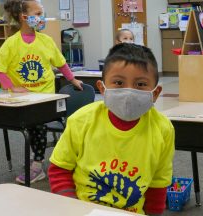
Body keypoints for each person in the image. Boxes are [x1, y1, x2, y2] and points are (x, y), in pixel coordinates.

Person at [48, 43, 175, 215]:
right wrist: (73, 208)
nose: (129, 92)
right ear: (102, 88)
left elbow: (158, 185)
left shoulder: (163, 129)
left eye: (140, 84)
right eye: (118, 82)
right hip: (83, 210)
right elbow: (59, 170)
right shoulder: (81, 121)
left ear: (155, 93)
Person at [0, 0, 83, 184]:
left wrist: (72, 79)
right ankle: (36, 159)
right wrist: (11, 87)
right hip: (25, 100)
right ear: (24, 17)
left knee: (38, 127)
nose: (42, 18)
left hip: (46, 98)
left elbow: (61, 63)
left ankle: (36, 166)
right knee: (31, 128)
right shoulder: (12, 43)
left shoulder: (46, 41)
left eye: (42, 13)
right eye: (38, 13)